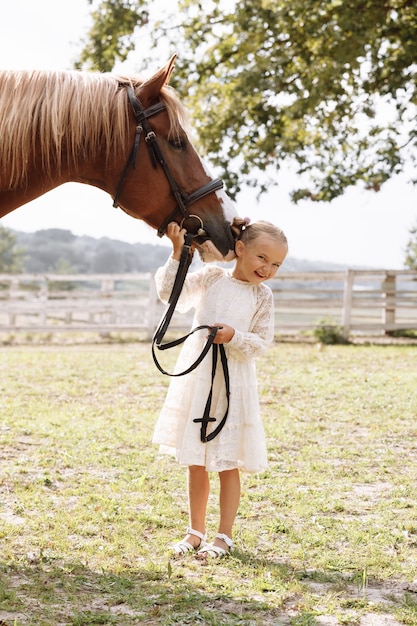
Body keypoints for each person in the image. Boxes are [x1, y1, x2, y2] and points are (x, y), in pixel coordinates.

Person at [152, 218, 288, 561]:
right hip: (199, 377)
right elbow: (172, 294)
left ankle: (223, 536)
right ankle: (194, 532)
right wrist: (176, 252)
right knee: (195, 460)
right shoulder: (212, 277)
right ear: (240, 249)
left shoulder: (262, 296)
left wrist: (234, 337)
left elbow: (261, 342)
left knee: (228, 462)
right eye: (262, 258)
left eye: (275, 264)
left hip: (233, 383)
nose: (267, 268)